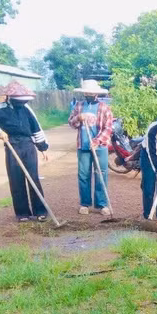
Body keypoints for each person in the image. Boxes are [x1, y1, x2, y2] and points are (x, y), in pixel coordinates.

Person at [0, 81, 50, 222]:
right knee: (16, 180)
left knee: (33, 178)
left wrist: (42, 148)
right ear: (10, 97)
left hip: (28, 145)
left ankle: (40, 211)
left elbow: (36, 128)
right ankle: (22, 213)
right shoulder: (0, 110)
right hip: (12, 145)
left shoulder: (27, 109)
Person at [68, 80, 114, 216]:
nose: (89, 94)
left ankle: (102, 204)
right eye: (87, 92)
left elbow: (108, 127)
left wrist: (97, 140)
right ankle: (85, 204)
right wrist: (78, 117)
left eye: (91, 92)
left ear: (96, 93)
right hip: (83, 146)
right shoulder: (79, 106)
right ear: (84, 93)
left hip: (100, 147)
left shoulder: (104, 108)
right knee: (83, 175)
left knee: (101, 173)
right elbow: (71, 123)